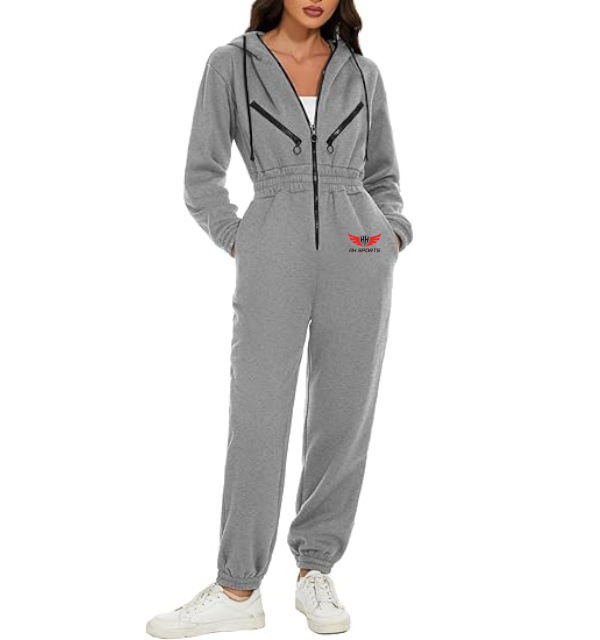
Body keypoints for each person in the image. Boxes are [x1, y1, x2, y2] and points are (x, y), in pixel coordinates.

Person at [147, 0, 413, 636]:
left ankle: (315, 569)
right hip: (273, 249)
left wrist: (391, 233)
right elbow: (202, 177)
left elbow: (382, 173)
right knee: (258, 414)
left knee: (343, 415)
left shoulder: (363, 72)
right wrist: (241, 236)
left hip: (360, 252)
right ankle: (238, 586)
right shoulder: (231, 65)